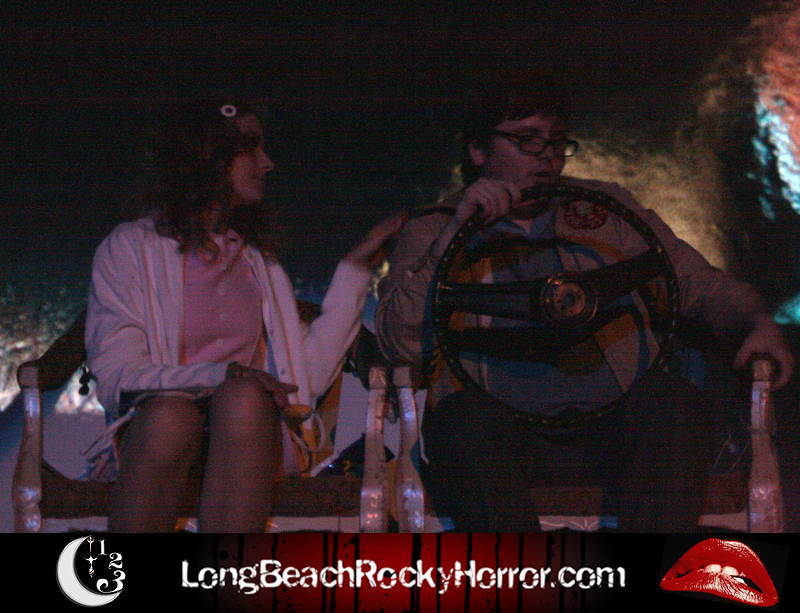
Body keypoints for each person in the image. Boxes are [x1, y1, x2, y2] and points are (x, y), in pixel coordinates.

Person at [375, 74, 795, 531]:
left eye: (556, 142)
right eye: (527, 141)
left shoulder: (605, 211)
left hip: (612, 430)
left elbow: (697, 282)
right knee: (460, 425)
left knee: (672, 404)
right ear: (479, 150)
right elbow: (399, 342)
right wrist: (456, 233)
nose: (547, 157)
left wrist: (757, 322)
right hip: (505, 438)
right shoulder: (434, 228)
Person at [86, 98, 402, 532]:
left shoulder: (256, 261)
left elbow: (301, 380)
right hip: (158, 439)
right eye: (251, 148)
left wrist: (355, 268)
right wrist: (222, 375)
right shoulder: (130, 248)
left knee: (243, 400)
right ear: (207, 158)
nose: (267, 163)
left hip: (249, 435)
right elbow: (116, 374)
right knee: (172, 415)